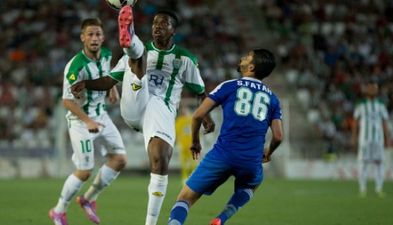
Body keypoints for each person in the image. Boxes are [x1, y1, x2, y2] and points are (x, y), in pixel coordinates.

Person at [71, 6, 214, 225]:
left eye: (163, 23)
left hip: (161, 111)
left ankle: (150, 223)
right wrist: (86, 83)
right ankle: (130, 38)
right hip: (134, 104)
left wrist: (206, 116)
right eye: (155, 22)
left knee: (159, 161)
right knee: (137, 62)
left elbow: (200, 92)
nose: (157, 26)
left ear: (173, 31)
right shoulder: (148, 51)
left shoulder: (185, 59)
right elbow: (109, 81)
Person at [167, 49, 283, 225]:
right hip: (251, 160)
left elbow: (198, 115)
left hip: (222, 155)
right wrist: (269, 151)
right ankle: (221, 219)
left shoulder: (230, 86)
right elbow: (279, 136)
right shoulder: (273, 99)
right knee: (253, 184)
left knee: (184, 198)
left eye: (247, 57)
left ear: (251, 67)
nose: (242, 57)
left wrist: (195, 142)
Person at [49, 18, 127, 225]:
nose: (94, 38)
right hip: (80, 121)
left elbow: (107, 74)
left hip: (101, 115)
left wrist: (112, 88)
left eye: (98, 34)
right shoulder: (75, 66)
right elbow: (66, 101)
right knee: (84, 171)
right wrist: (88, 121)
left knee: (119, 159)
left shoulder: (107, 54)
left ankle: (88, 199)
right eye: (90, 34)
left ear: (103, 37)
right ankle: (58, 211)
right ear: (82, 37)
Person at [351, 80, 391, 198]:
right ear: (367, 90)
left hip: (378, 139)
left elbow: (384, 122)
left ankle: (379, 188)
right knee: (363, 163)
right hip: (364, 139)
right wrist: (353, 137)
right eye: (371, 88)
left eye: (375, 88)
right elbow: (355, 122)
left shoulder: (381, 105)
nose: (373, 90)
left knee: (379, 163)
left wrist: (387, 138)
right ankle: (362, 189)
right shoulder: (361, 104)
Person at [175, 105, 198, 184]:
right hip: (183, 145)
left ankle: (192, 177)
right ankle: (185, 178)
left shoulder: (188, 119)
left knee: (192, 162)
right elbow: (177, 133)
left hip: (190, 144)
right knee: (184, 163)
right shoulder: (184, 120)